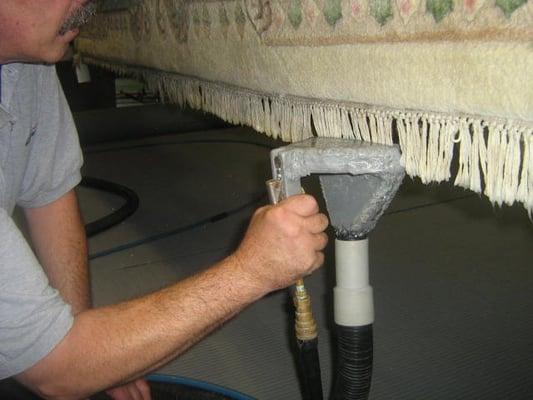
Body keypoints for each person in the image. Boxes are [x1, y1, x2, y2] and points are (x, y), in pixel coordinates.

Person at [0, 1, 329, 399]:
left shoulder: (25, 67)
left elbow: (49, 197)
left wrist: (107, 361)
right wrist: (252, 270)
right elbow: (55, 370)